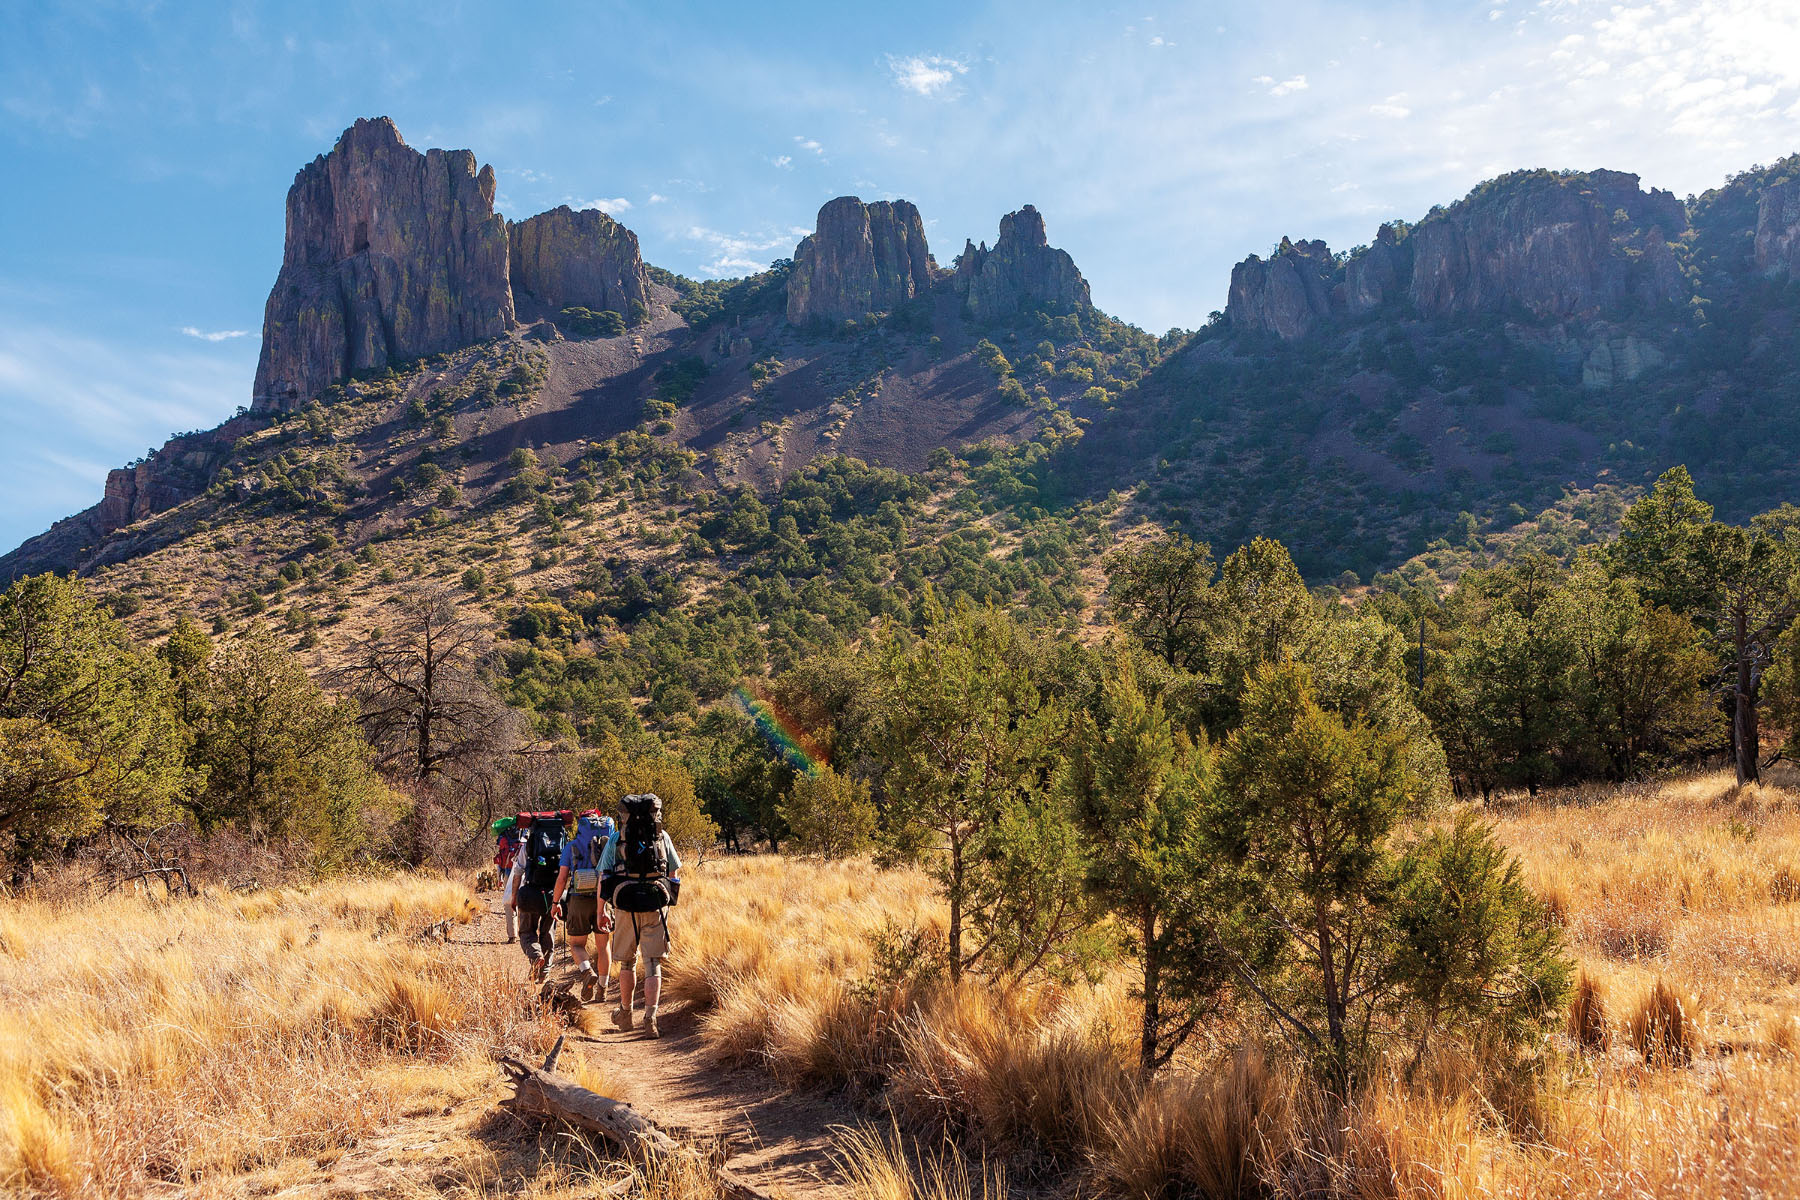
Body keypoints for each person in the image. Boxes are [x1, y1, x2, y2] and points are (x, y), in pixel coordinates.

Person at [600, 793, 682, 1039]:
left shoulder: (617, 838)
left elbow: (604, 875)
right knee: (652, 963)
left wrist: (601, 910)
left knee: (627, 962)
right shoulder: (661, 836)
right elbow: (675, 870)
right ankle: (651, 1017)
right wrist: (668, 898)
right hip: (655, 904)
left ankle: (625, 1013)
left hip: (626, 905)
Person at [551, 809, 615, 1002]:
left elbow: (562, 878)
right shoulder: (609, 844)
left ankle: (587, 971)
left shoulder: (572, 846)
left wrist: (555, 903)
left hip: (578, 899)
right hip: (604, 899)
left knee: (577, 944)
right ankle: (602, 990)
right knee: (603, 946)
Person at [508, 810, 570, 981]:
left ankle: (536, 957)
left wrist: (514, 897)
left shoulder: (528, 845)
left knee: (526, 932)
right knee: (547, 932)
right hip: (553, 895)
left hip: (530, 894)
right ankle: (545, 971)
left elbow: (518, 873)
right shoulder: (563, 844)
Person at [492, 816, 523, 941]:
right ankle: (525, 932)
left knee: (509, 903)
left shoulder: (504, 839)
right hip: (523, 873)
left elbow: (500, 861)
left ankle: (512, 935)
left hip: (508, 872)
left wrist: (499, 878)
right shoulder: (524, 837)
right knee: (524, 902)